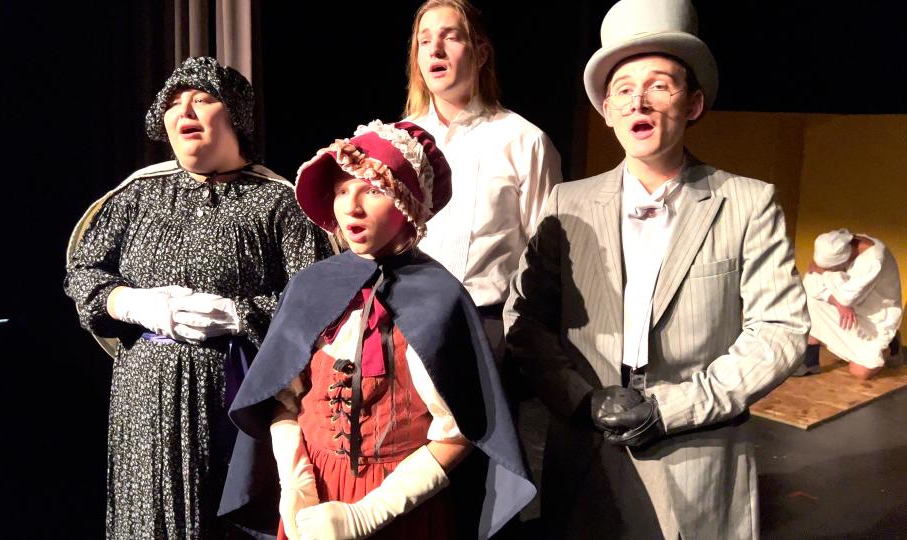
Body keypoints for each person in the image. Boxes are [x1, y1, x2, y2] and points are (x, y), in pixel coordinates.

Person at [503, 0, 810, 538]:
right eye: (622, 89)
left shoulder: (748, 202)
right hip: (587, 461)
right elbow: (526, 322)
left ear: (693, 104)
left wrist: (670, 408)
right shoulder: (565, 204)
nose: (638, 99)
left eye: (660, 85)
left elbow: (779, 331)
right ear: (605, 109)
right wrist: (582, 399)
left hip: (698, 460)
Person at [218, 120, 534, 539]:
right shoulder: (311, 287)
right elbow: (282, 399)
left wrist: (369, 513)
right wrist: (297, 484)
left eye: (372, 190)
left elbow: (460, 432)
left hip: (403, 506)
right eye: (343, 190)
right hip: (317, 499)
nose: (352, 207)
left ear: (406, 204)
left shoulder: (441, 298)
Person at [64, 56, 332, 538]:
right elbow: (83, 273)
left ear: (235, 115)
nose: (184, 109)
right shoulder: (135, 198)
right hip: (143, 398)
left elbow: (314, 300)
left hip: (235, 394)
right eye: (173, 102)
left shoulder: (277, 203)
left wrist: (238, 315)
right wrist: (127, 302)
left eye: (202, 98)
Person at [403, 0, 562, 357]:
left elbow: (547, 256)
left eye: (451, 37)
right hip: (405, 323)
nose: (436, 49)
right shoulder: (400, 139)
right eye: (424, 41)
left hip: (488, 328)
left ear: (482, 52)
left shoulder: (523, 140)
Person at [795, 228, 903, 379]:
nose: (828, 270)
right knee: (809, 294)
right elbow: (812, 277)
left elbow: (846, 296)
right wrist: (840, 305)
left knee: (859, 372)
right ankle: (810, 359)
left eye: (832, 269)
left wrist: (824, 274)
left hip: (876, 319)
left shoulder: (874, 260)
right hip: (848, 310)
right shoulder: (841, 244)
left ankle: (892, 346)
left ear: (845, 259)